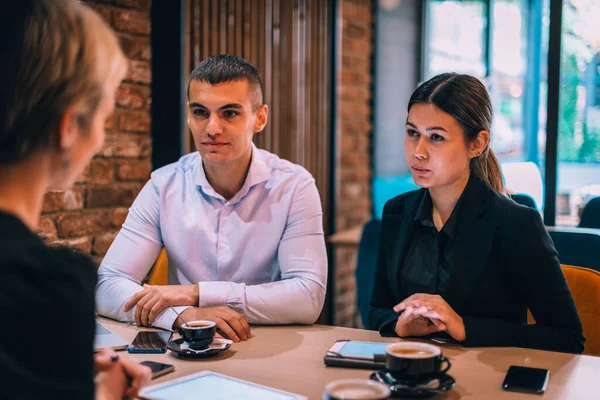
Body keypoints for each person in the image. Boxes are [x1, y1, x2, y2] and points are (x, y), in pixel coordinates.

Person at [96, 54, 327, 341]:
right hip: (189, 345)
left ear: (260, 118)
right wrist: (182, 315)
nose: (212, 128)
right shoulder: (163, 185)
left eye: (230, 113)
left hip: (269, 343)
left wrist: (196, 294)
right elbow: (107, 284)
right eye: (201, 112)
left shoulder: (294, 186)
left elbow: (308, 297)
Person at [369, 73, 585, 354]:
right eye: (412, 133)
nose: (418, 152)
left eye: (436, 137)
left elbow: (567, 338)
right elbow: (377, 309)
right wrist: (399, 324)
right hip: (412, 374)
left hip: (488, 382)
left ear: (477, 144)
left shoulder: (517, 223)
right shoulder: (397, 211)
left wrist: (464, 327)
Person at [0, 1, 151, 398]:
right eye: (104, 119)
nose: (101, 140)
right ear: (67, 128)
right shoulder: (46, 284)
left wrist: (48, 366)